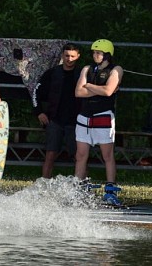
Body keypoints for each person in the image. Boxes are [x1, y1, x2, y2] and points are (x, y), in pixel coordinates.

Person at [74, 39, 124, 206]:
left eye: (99, 53)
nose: (95, 55)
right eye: (94, 52)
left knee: (107, 155)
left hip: (103, 115)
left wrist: (88, 86)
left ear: (107, 55)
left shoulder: (115, 70)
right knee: (80, 155)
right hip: (84, 117)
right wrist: (98, 90)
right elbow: (78, 93)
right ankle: (79, 190)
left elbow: (109, 91)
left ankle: (110, 191)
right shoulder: (87, 69)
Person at [32, 43, 82, 178]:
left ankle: (81, 187)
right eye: (66, 56)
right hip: (54, 120)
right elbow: (35, 92)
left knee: (79, 157)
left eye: (72, 56)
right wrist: (39, 112)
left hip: (77, 122)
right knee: (50, 154)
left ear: (78, 56)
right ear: (62, 56)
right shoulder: (52, 73)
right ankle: (44, 185)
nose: (69, 59)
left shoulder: (83, 74)